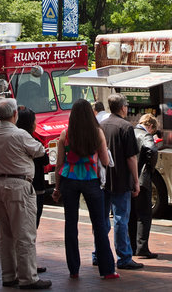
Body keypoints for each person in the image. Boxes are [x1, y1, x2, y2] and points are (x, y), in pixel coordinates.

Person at [0, 98, 51, 290]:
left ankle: (9, 275)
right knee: (24, 234)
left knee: (5, 234)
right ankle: (28, 277)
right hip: (19, 185)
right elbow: (40, 150)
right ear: (15, 114)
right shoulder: (20, 134)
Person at [51, 99, 118, 280]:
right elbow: (105, 161)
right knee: (99, 225)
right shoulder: (97, 133)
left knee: (70, 225)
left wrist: (57, 188)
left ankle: (74, 269)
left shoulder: (65, 134)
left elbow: (59, 164)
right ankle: (107, 269)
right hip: (91, 180)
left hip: (69, 180)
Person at [99, 93, 143, 270]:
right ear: (123, 107)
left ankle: (98, 253)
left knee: (102, 219)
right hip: (121, 179)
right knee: (120, 219)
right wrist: (136, 180)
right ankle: (124, 257)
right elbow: (131, 157)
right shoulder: (126, 127)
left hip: (103, 178)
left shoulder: (101, 125)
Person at [16, 107, 49, 236]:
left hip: (18, 187)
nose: (36, 124)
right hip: (35, 189)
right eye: (34, 121)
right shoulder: (32, 142)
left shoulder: (11, 140)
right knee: (31, 227)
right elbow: (45, 160)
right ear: (30, 124)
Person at [129, 114, 158, 259]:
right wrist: (150, 167)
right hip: (142, 179)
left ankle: (132, 246)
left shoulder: (129, 132)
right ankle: (142, 247)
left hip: (128, 179)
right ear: (151, 126)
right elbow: (152, 150)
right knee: (144, 214)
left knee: (131, 214)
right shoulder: (146, 135)